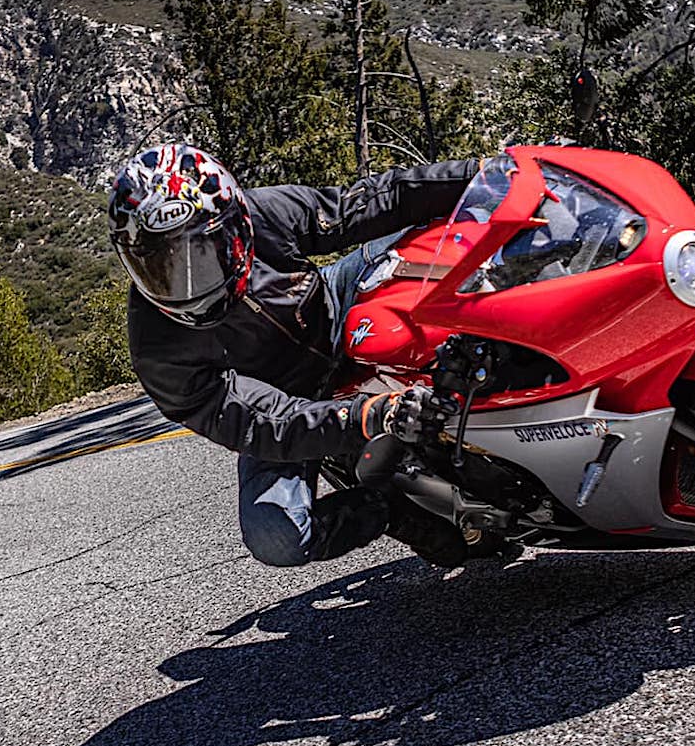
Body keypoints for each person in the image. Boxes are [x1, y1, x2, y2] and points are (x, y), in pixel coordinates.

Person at [109, 143, 479, 568]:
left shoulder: (264, 213)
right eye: (160, 266)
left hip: (332, 307)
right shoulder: (158, 351)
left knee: (434, 238)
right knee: (278, 535)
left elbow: (369, 202)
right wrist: (370, 416)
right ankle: (393, 510)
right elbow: (262, 424)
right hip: (283, 398)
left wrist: (481, 172)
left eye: (202, 253)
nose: (186, 283)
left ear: (235, 226)